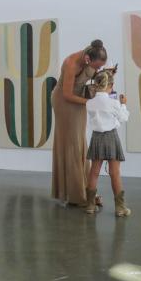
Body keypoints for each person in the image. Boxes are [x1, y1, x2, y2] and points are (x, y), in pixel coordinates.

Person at [51, 39, 108, 207]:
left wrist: (106, 75)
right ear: (88, 59)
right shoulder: (71, 64)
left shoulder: (89, 60)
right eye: (97, 66)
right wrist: (90, 102)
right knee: (73, 145)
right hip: (65, 103)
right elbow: (67, 94)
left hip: (79, 101)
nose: (98, 69)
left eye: (100, 67)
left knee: (80, 143)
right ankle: (77, 194)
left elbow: (92, 76)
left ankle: (86, 190)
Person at [84, 69, 131, 216]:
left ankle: (90, 205)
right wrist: (123, 104)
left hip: (96, 138)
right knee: (114, 173)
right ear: (110, 85)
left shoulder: (89, 103)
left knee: (94, 172)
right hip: (111, 137)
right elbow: (123, 118)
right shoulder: (114, 103)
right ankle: (120, 208)